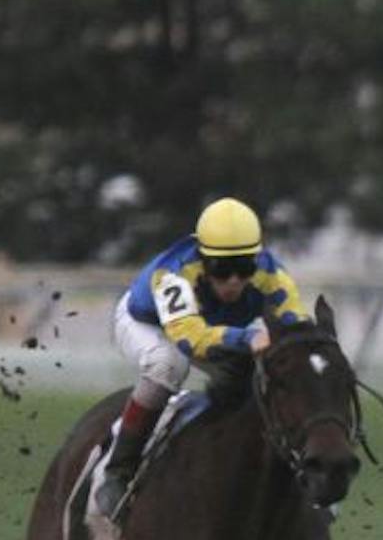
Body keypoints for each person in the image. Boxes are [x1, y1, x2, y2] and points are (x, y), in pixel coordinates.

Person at [93, 197, 309, 519]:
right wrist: (249, 338)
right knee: (168, 365)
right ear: (203, 259)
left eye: (244, 267)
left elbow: (295, 327)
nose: (235, 280)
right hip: (149, 323)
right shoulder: (174, 274)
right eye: (222, 269)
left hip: (213, 327)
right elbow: (191, 338)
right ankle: (118, 470)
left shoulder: (272, 272)